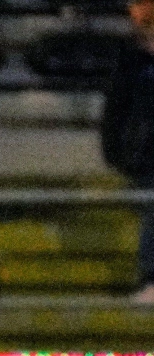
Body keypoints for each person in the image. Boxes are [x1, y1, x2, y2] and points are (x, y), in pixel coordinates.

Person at [103, 0, 154, 304]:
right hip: (145, 154)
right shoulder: (132, 61)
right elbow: (118, 112)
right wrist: (117, 151)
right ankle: (150, 276)